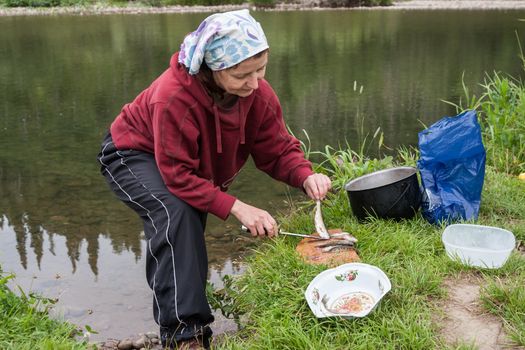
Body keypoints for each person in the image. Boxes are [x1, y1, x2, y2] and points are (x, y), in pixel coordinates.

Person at [97, 9, 331, 349]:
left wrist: (305, 175)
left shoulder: (257, 94)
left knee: (187, 219)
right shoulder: (173, 95)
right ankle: (184, 336)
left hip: (181, 164)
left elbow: (277, 149)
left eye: (260, 70)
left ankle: (189, 323)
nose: (254, 83)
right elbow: (177, 176)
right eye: (242, 76)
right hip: (131, 153)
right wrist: (238, 207)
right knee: (174, 214)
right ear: (213, 68)